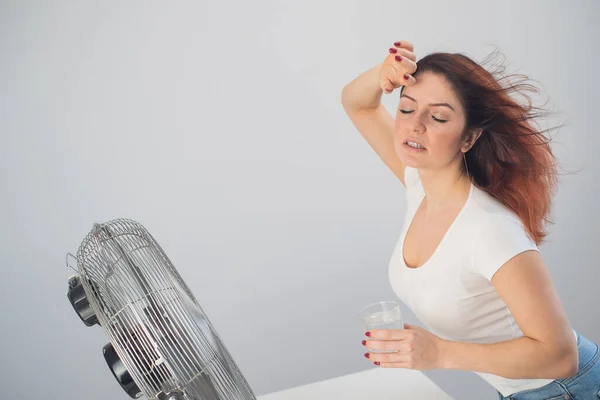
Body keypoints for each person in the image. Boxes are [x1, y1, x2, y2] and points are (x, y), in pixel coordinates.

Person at [341, 40, 600, 399]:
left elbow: (560, 356)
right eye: (406, 108)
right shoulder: (418, 182)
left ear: (469, 138)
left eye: (438, 116)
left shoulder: (490, 230)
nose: (414, 126)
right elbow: (356, 103)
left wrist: (439, 353)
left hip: (563, 389)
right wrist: (385, 71)